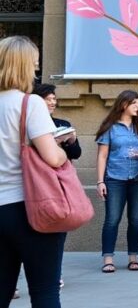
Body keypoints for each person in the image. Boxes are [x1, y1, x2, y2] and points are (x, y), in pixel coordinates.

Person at [0, 36, 67, 307]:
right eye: (34, 65)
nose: (35, 71)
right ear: (24, 66)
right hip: (31, 207)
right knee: (45, 291)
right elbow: (52, 157)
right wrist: (61, 148)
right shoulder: (30, 104)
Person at [96, 89, 138, 273]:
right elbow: (102, 156)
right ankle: (108, 259)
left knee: (136, 220)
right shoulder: (110, 127)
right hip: (115, 178)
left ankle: (133, 257)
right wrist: (100, 181)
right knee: (112, 219)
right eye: (135, 103)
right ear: (124, 105)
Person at [34, 84, 81, 288]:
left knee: (58, 230)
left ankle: (54, 273)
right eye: (48, 99)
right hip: (35, 181)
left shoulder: (62, 123)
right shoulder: (28, 124)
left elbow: (76, 154)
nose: (53, 102)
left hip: (58, 183)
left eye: (54, 99)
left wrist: (70, 141)